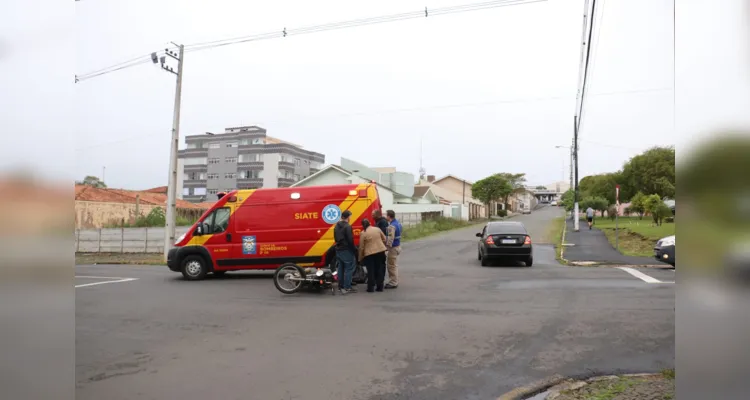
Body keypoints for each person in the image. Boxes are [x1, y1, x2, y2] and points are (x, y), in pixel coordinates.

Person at [358, 219, 387, 292]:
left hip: (369, 254)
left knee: (371, 271)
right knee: (379, 269)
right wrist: (381, 245)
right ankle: (380, 287)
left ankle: (370, 288)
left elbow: (361, 247)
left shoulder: (363, 233)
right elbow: (384, 239)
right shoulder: (377, 229)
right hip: (380, 251)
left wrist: (360, 258)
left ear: (362, 225)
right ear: (370, 223)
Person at [334, 210, 357, 294]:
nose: (351, 217)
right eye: (350, 216)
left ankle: (341, 286)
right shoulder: (347, 226)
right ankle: (347, 287)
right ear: (348, 217)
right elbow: (350, 240)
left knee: (340, 268)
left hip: (338, 249)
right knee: (349, 268)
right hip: (346, 249)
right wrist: (354, 249)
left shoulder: (336, 226)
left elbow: (336, 238)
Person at [384, 209, 402, 289]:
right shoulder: (398, 223)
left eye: (386, 215)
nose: (385, 216)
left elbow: (390, 238)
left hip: (393, 248)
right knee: (394, 265)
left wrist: (387, 248)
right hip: (398, 246)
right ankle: (394, 281)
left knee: (391, 266)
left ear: (389, 216)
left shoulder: (391, 226)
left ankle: (393, 282)